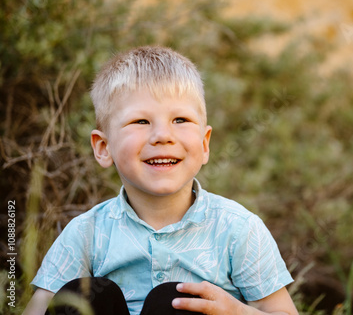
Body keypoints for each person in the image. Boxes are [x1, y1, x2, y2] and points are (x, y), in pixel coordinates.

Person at [23, 46, 298, 315]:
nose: (162, 135)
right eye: (141, 121)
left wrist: (237, 312)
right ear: (103, 148)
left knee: (179, 301)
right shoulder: (88, 233)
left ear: (204, 144)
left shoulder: (238, 229)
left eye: (180, 119)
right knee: (84, 295)